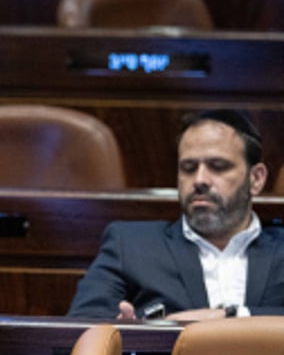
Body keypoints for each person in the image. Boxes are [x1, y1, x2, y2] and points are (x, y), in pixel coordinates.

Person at [67, 109, 284, 320]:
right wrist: (123, 335)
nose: (199, 180)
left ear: (256, 179)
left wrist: (232, 315)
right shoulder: (131, 245)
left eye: (218, 167)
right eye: (188, 168)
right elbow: (76, 332)